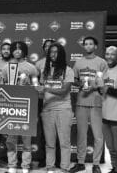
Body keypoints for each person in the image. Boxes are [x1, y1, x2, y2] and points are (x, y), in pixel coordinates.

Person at [71, 36, 107, 173]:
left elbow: (105, 81)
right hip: (81, 101)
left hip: (96, 101)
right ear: (84, 46)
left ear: (95, 46)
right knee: (81, 134)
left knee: (98, 135)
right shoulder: (79, 62)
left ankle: (96, 164)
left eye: (91, 44)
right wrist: (81, 84)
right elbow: (74, 80)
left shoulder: (102, 62)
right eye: (86, 44)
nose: (88, 46)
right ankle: (80, 162)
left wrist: (94, 86)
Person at [1, 41, 38, 173]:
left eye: (20, 49)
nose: (17, 51)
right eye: (15, 49)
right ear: (11, 51)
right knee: (11, 139)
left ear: (24, 51)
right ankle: (12, 164)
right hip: (11, 107)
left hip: (26, 108)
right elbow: (1, 86)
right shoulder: (6, 67)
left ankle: (25, 166)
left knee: (26, 138)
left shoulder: (31, 68)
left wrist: (30, 84)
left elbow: (37, 87)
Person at [36, 42, 74, 173]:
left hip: (63, 109)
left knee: (64, 142)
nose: (53, 54)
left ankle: (64, 167)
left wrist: (46, 88)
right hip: (47, 109)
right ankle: (50, 166)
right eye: (51, 52)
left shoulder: (68, 70)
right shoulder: (44, 71)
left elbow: (64, 91)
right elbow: (42, 93)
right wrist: (34, 90)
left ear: (61, 54)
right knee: (49, 142)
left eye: (56, 52)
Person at [34, 39, 55, 168]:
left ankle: (56, 158)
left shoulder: (61, 63)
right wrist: (38, 85)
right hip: (43, 99)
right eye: (46, 46)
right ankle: (43, 158)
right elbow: (35, 80)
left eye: (51, 46)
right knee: (44, 130)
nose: (48, 48)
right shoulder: (39, 63)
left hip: (57, 100)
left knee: (57, 130)